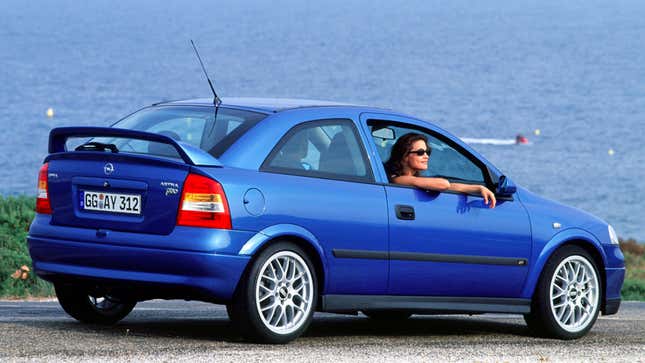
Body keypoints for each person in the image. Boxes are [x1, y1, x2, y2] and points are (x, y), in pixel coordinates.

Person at [384, 132, 496, 208]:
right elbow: (444, 185)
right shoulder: (399, 180)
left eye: (428, 151)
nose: (426, 156)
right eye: (420, 152)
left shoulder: (414, 180)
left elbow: (450, 186)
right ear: (404, 156)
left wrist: (479, 188)